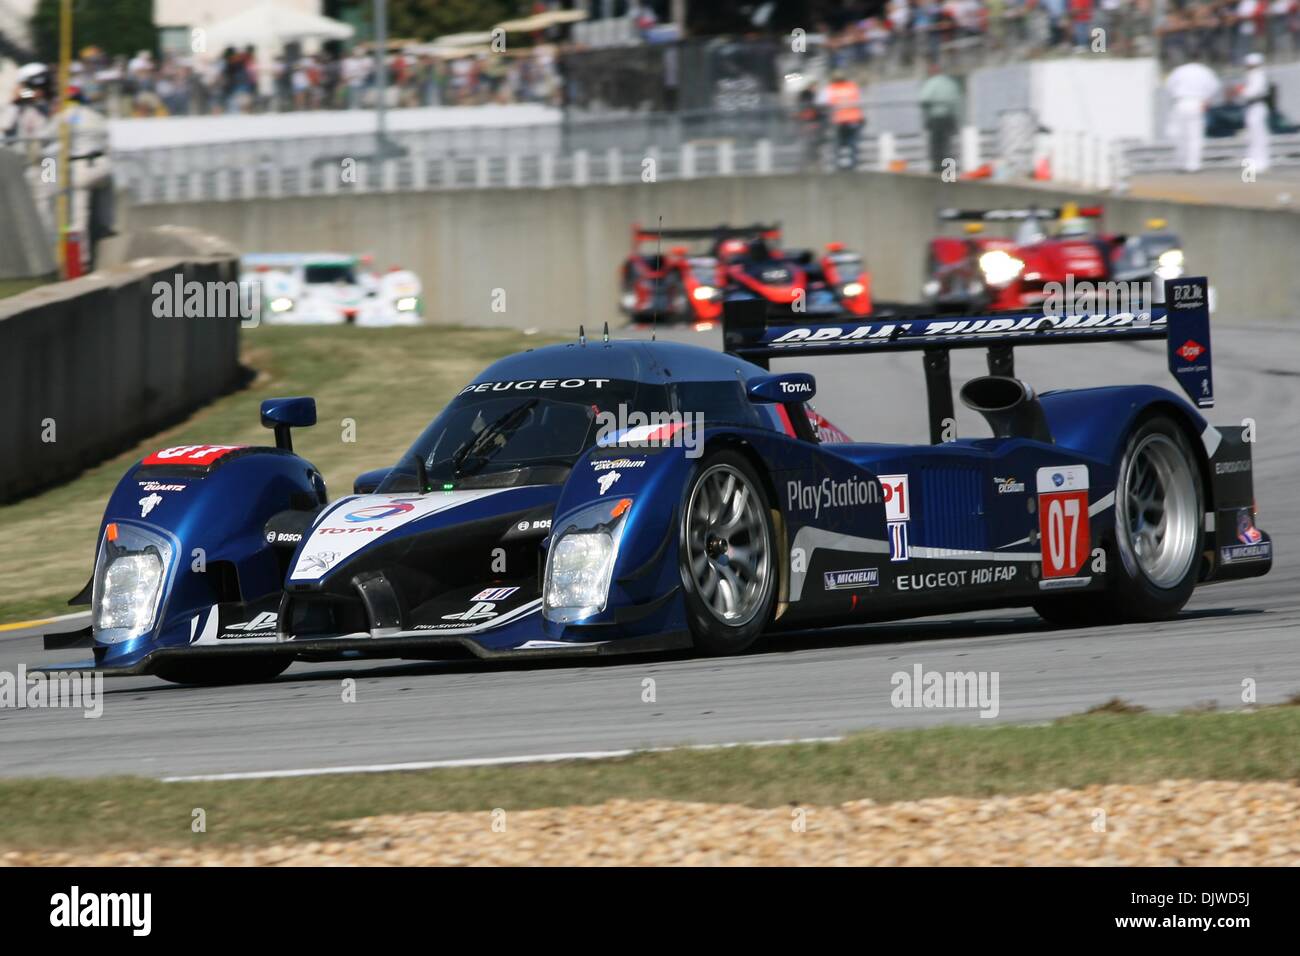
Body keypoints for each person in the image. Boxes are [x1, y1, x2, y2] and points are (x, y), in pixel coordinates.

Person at [1164, 60, 1220, 172]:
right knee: (1195, 136)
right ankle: (1193, 165)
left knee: (1181, 135)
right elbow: (1215, 87)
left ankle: (1181, 163)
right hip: (1197, 103)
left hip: (1181, 101)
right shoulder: (1205, 71)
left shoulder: (1180, 70)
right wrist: (1207, 99)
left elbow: (1169, 86)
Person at [918, 64, 962, 173]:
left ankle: (937, 171)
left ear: (933, 72)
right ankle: (949, 173)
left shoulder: (932, 82)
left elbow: (924, 99)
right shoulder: (951, 83)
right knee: (948, 145)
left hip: (936, 118)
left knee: (936, 146)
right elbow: (957, 102)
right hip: (950, 118)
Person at [817, 70, 864, 170]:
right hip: (853, 120)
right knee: (853, 145)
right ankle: (853, 167)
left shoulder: (830, 89)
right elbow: (859, 101)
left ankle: (838, 167)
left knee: (837, 145)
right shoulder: (852, 86)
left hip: (838, 122)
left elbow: (820, 103)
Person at [1241, 52, 1271, 173]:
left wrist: (1242, 91)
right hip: (1253, 107)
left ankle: (1260, 162)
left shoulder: (1257, 75)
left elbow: (1251, 92)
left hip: (1256, 106)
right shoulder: (1254, 75)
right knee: (1254, 135)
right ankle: (1254, 162)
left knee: (1257, 135)